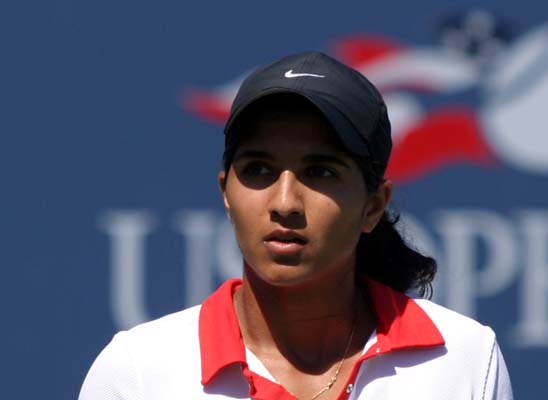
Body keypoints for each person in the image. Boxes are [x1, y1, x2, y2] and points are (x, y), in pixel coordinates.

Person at [79, 51, 513, 400]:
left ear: (373, 205)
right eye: (259, 169)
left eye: (320, 171)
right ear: (226, 192)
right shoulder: (137, 372)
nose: (285, 203)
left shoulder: (466, 358)